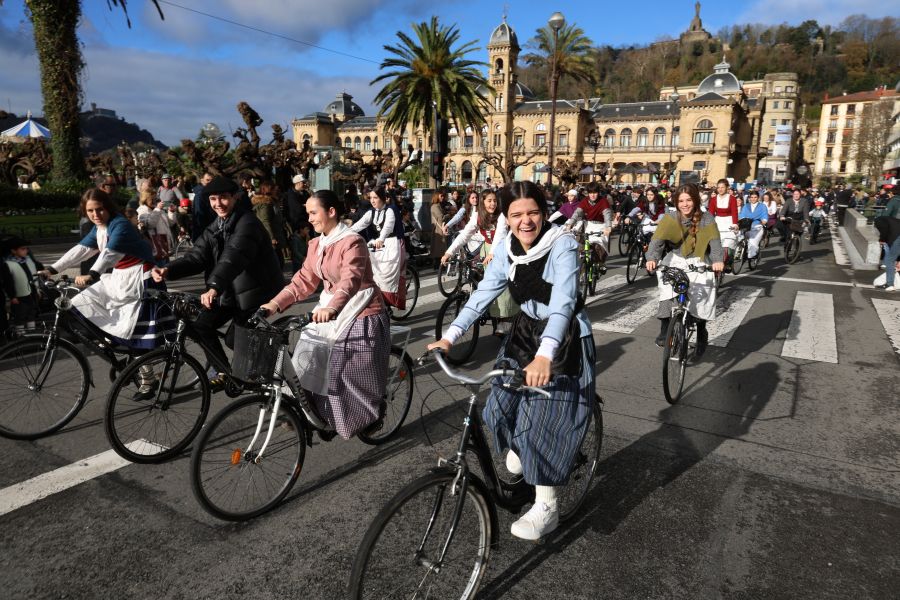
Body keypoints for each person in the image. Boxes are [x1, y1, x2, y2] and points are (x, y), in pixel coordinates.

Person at [428, 181, 596, 541]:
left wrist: (545, 355)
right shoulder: (506, 248)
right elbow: (482, 294)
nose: (525, 221)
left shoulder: (562, 243)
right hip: (525, 333)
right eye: (516, 214)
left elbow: (564, 303)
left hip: (561, 336)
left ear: (543, 210)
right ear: (506, 216)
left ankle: (547, 504)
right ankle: (525, 449)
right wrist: (450, 336)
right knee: (496, 410)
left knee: (541, 421)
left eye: (532, 212)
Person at [259, 189, 390, 439]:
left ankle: (367, 416)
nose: (309, 218)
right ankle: (318, 413)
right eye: (307, 212)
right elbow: (303, 281)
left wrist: (333, 307)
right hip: (329, 308)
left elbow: (350, 280)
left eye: (313, 212)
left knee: (343, 370)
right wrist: (273, 305)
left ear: (331, 212)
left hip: (360, 309)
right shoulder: (317, 244)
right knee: (305, 359)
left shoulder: (353, 241)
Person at [151, 176, 283, 388]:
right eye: (213, 199)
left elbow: (233, 256)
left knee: (235, 341)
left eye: (223, 198)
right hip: (230, 290)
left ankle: (268, 375)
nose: (218, 204)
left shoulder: (247, 223)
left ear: (235, 198)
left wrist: (213, 286)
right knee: (199, 325)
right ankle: (225, 373)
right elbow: (197, 257)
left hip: (256, 291)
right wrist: (168, 270)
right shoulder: (216, 225)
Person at [38, 188, 171, 350]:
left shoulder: (120, 224)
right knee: (80, 302)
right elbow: (81, 250)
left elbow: (110, 253)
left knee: (137, 333)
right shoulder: (100, 228)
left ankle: (146, 373)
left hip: (141, 279)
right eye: (90, 211)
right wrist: (51, 270)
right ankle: (116, 346)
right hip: (120, 278)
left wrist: (92, 274)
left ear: (108, 207)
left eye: (99, 209)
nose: (95, 215)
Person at [645, 183, 724, 358]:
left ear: (695, 200)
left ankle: (702, 331)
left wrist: (718, 261)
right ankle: (665, 328)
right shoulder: (670, 218)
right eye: (681, 201)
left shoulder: (707, 218)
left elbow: (715, 242)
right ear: (676, 202)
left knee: (700, 299)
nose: (685, 204)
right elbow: (657, 241)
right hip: (675, 259)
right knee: (667, 291)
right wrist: (651, 258)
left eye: (689, 200)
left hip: (699, 260)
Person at [350, 187, 407, 309]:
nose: (372, 200)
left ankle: (388, 303)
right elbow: (360, 224)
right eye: (371, 198)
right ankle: (377, 299)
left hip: (392, 244)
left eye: (375, 197)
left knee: (387, 277)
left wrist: (381, 239)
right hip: (378, 245)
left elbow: (388, 227)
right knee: (372, 273)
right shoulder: (371, 212)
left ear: (383, 198)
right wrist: (345, 233)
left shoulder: (390, 210)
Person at [3, 237, 43, 335]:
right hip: (19, 295)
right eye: (23, 249)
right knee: (20, 314)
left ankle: (32, 331)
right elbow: (8, 282)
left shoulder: (28, 260)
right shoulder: (8, 264)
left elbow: (37, 271)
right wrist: (12, 296)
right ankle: (20, 333)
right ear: (13, 251)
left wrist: (38, 290)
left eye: (26, 248)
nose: (26, 251)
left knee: (32, 312)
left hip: (32, 291)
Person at [251, 180, 289, 268]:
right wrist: (272, 237)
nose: (276, 190)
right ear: (269, 189)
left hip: (276, 234)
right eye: (274, 189)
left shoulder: (271, 201)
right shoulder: (265, 203)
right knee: (276, 263)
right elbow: (265, 221)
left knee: (278, 262)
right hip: (269, 238)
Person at [709, 179, 738, 269]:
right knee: (716, 245)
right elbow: (710, 213)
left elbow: (734, 212)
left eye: (722, 187)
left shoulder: (732, 198)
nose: (720, 189)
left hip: (729, 222)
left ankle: (729, 261)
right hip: (718, 222)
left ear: (727, 188)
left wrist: (735, 223)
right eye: (718, 187)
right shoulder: (713, 199)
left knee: (728, 247)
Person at [137, 189, 173, 262]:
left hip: (164, 246)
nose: (154, 201)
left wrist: (171, 212)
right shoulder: (142, 211)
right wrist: (157, 209)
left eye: (155, 198)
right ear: (145, 199)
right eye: (152, 199)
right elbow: (150, 224)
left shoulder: (157, 209)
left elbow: (171, 223)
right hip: (155, 248)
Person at [285, 174, 311, 272]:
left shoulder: (304, 193)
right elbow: (297, 209)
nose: (305, 184)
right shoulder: (291, 194)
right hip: (296, 225)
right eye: (303, 183)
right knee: (297, 249)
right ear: (298, 183)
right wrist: (305, 206)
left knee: (305, 247)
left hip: (305, 224)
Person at [738, 190, 767, 259]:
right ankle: (739, 250)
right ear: (749, 198)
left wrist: (764, 221)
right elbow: (742, 215)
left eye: (755, 197)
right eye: (752, 197)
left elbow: (765, 216)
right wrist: (740, 220)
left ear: (758, 198)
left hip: (757, 227)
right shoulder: (746, 206)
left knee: (752, 244)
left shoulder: (762, 206)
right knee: (737, 236)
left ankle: (754, 254)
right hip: (746, 226)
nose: (753, 199)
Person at [874, 215, 900, 291]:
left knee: (889, 260)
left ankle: (889, 284)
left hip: (897, 238)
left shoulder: (878, 220)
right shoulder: (892, 221)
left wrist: (881, 240)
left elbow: (884, 231)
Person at [191, 172, 215, 240]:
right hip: (204, 231)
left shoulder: (209, 192)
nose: (210, 182)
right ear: (202, 180)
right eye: (207, 180)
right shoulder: (200, 194)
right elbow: (199, 214)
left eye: (212, 180)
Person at [429, 190, 448, 267]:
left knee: (440, 248)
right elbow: (441, 218)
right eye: (441, 196)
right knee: (439, 248)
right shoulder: (435, 206)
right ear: (437, 196)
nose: (442, 198)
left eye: (443, 196)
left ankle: (439, 264)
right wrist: (448, 214)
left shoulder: (437, 205)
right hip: (438, 229)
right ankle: (438, 265)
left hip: (439, 228)